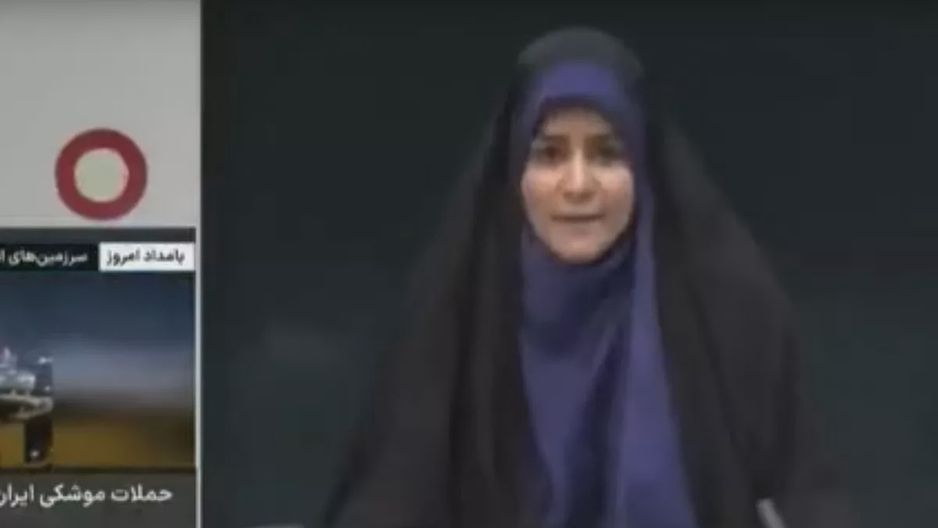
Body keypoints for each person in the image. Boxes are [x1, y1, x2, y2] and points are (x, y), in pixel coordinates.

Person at [325, 27, 856, 528]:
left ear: (644, 168)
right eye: (549, 155)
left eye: (607, 153)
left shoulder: (729, 312)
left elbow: (808, 496)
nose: (577, 185)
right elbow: (389, 501)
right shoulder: (457, 319)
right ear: (513, 173)